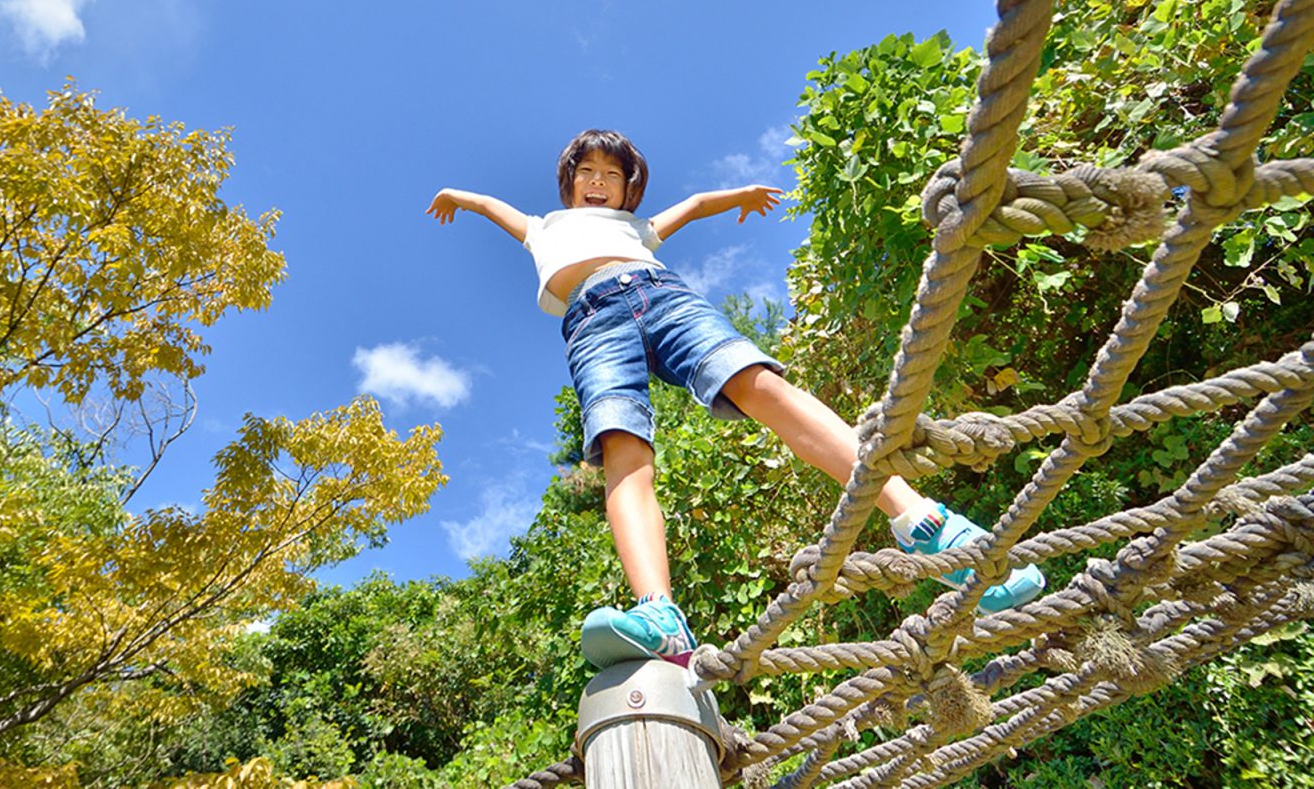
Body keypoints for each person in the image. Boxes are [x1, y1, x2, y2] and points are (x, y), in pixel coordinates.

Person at [427, 129, 1043, 669]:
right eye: (586, 172)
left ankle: (928, 525)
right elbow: (490, 204)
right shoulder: (544, 229)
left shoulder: (636, 229)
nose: (597, 182)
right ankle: (659, 617)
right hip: (592, 325)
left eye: (611, 175)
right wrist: (459, 196)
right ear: (568, 182)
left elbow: (693, 207)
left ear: (627, 190)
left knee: (758, 383)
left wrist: (741, 197)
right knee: (621, 446)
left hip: (660, 294)